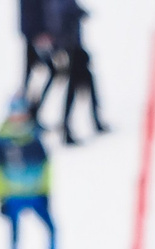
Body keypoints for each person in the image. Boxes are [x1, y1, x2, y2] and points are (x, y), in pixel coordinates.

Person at [0, 98, 66, 249]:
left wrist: (46, 190)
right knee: (15, 238)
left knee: (51, 229)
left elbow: (45, 165)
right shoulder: (0, 141)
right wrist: (0, 196)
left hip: (35, 193)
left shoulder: (33, 137)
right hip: (13, 197)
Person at [48, 2, 107, 145]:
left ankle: (94, 121)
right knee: (73, 90)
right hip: (71, 49)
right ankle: (68, 127)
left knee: (87, 84)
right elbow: (59, 20)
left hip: (73, 47)